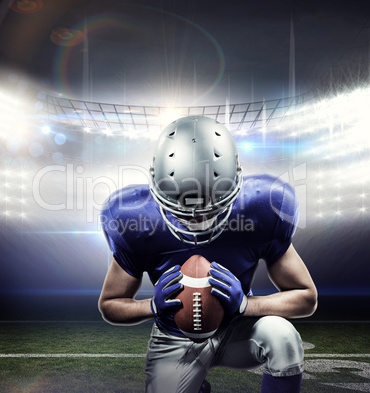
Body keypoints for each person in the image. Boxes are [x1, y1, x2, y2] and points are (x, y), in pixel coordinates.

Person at [98, 116, 317, 393]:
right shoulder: (134, 218)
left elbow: (306, 297)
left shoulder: (263, 207)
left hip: (239, 329)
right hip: (174, 337)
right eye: (181, 207)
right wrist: (150, 307)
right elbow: (110, 303)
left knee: (283, 337)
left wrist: (247, 306)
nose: (197, 218)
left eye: (211, 207)